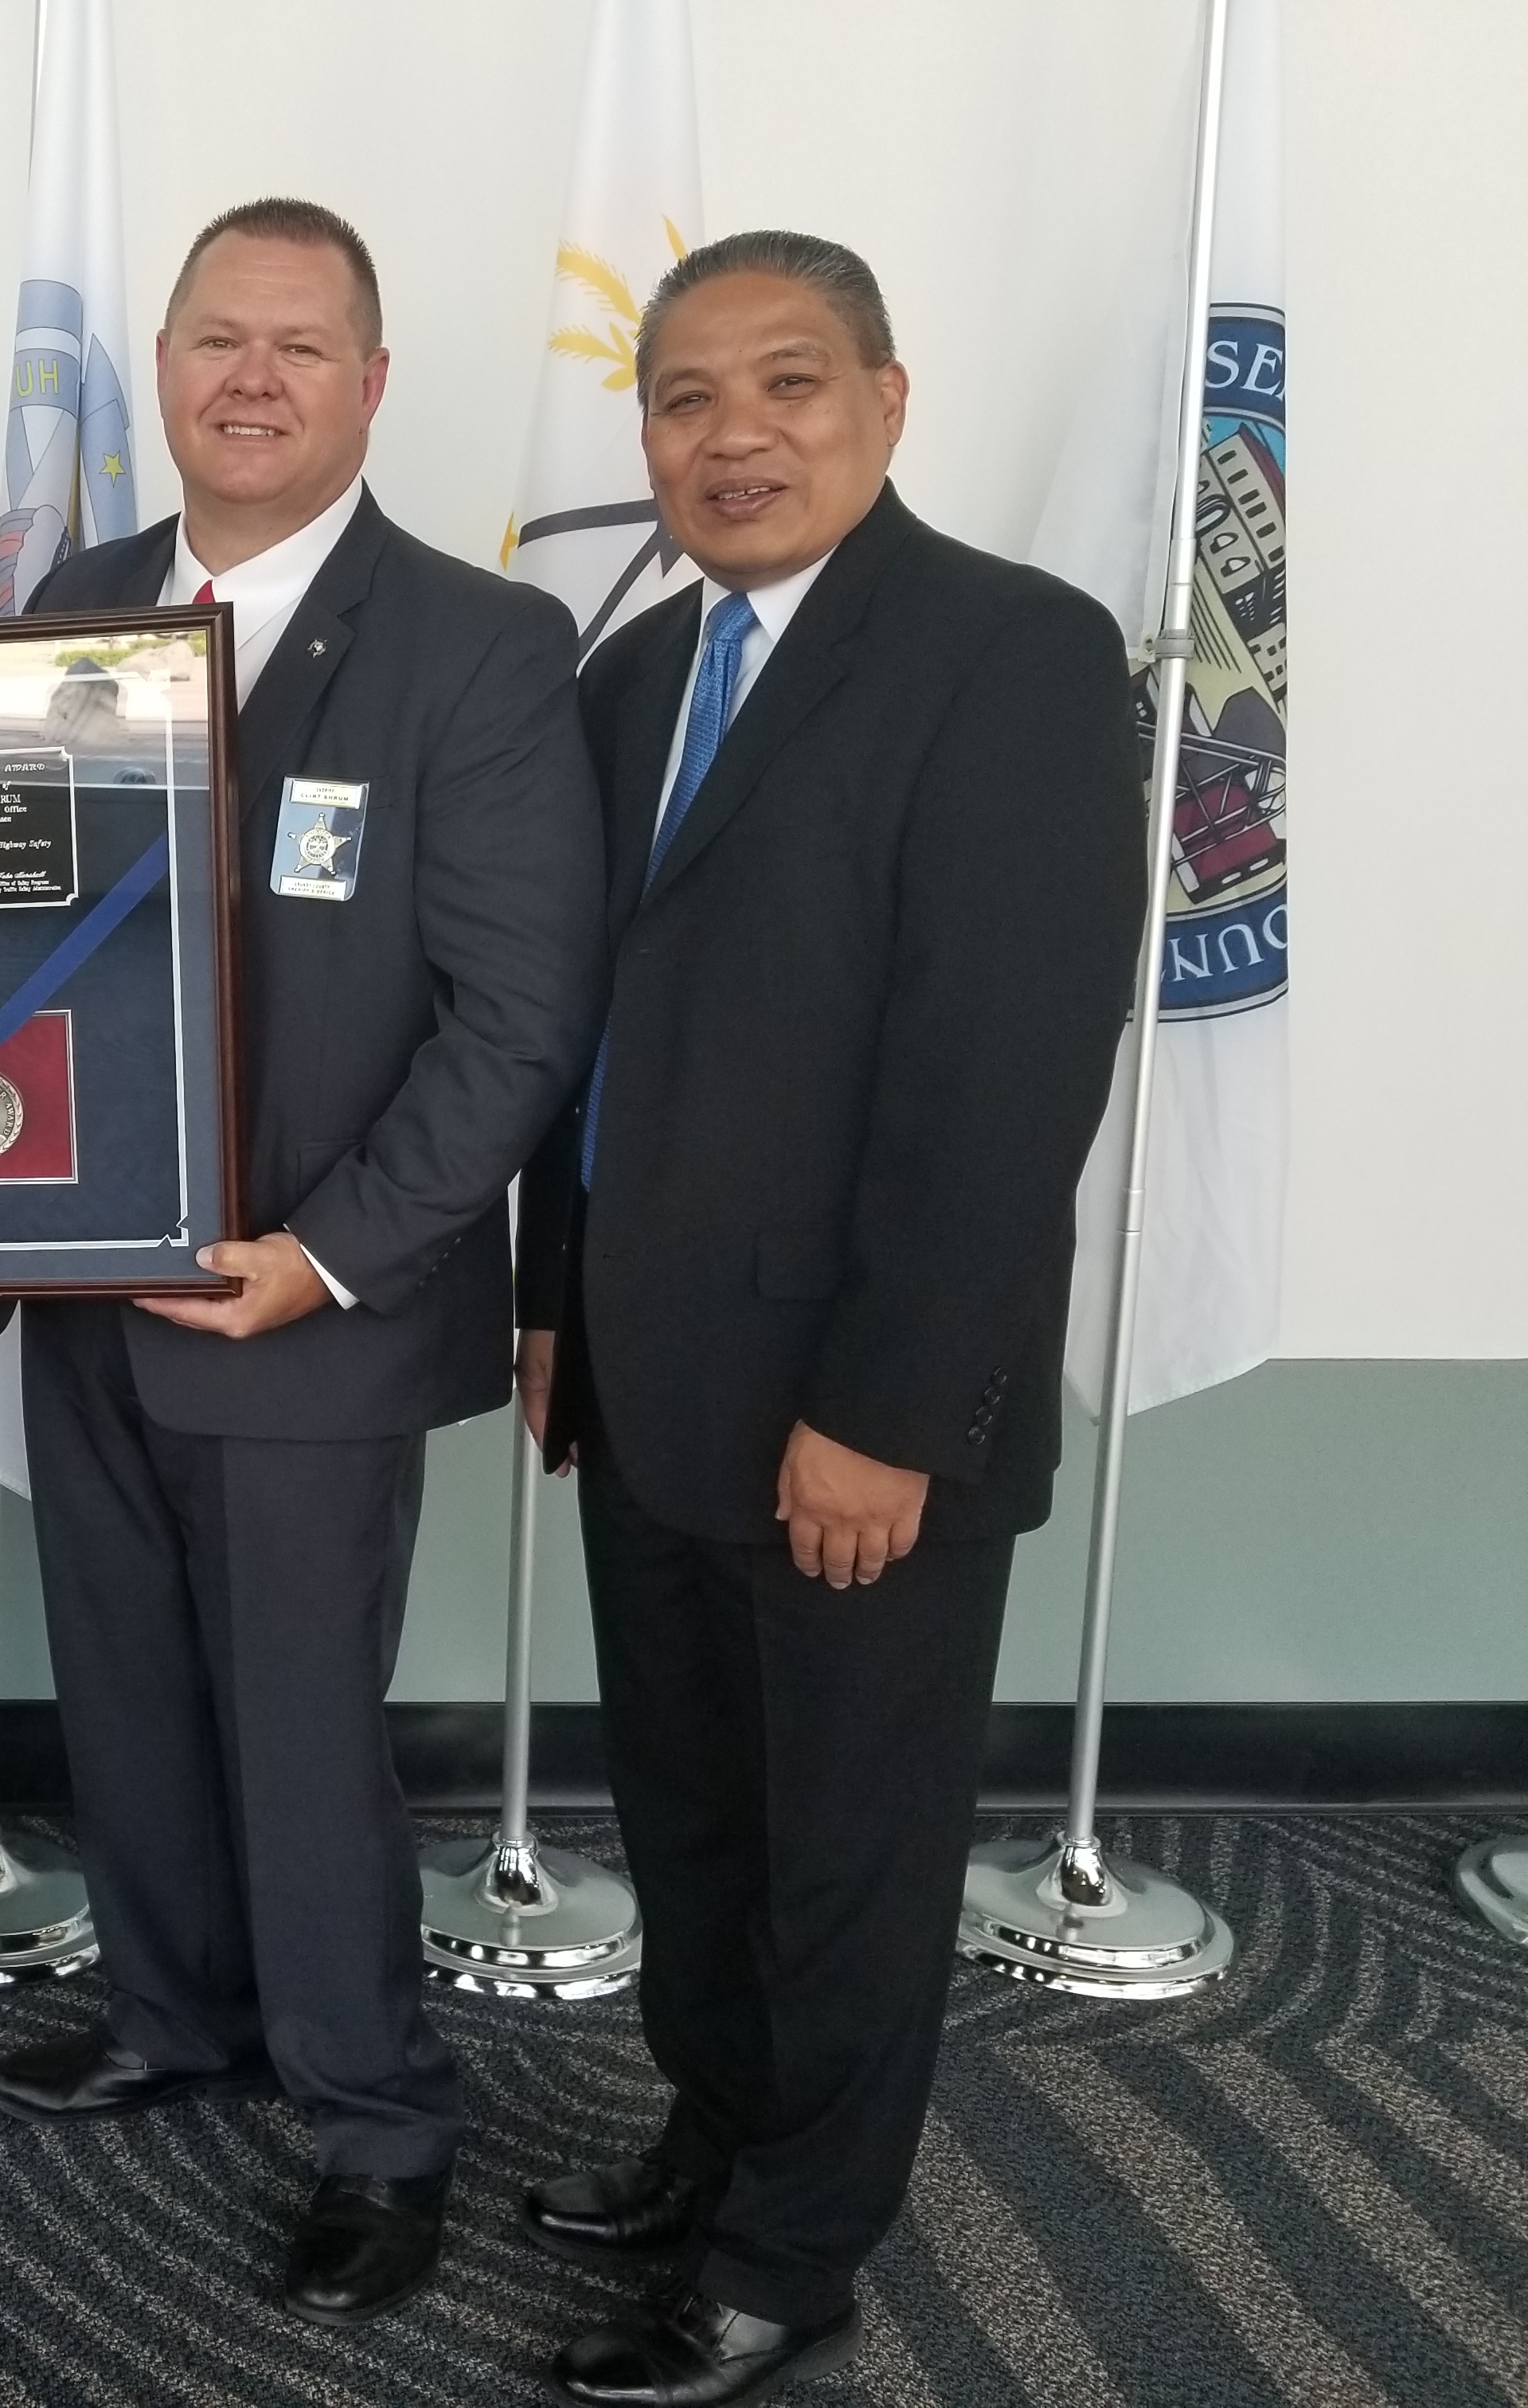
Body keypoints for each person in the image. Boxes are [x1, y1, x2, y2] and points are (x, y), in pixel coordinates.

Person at [0, 198, 611, 2324]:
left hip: (311, 1309)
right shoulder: (78, 601)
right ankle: (175, 2014)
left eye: (300, 346)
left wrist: (324, 1258)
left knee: (308, 1740)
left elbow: (520, 1020)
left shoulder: (480, 647)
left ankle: (377, 2122)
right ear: (160, 363)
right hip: (88, 1289)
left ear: (372, 383)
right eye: (217, 338)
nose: (251, 379)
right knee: (129, 1691)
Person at [511, 233, 1144, 2406]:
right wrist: (551, 1299)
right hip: (644, 1377)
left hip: (856, 1409)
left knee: (846, 1861)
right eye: (686, 397)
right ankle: (715, 2144)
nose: (736, 434)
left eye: (788, 382)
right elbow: (582, 1036)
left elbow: (1007, 1076)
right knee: (696, 1824)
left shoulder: (1013, 653)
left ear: (887, 398)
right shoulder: (630, 679)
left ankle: (792, 2257)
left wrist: (888, 1409)